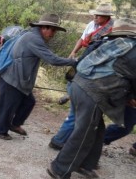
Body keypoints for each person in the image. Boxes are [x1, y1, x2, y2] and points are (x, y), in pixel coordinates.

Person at [48, 18, 136, 179]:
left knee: (98, 130)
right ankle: (59, 168)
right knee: (85, 131)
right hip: (93, 92)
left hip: (78, 84)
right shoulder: (132, 50)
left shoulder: (110, 43)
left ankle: (86, 165)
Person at [0, 13, 77, 140]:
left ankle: (14, 124)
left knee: (29, 102)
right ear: (44, 27)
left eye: (55, 31)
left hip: (17, 78)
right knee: (9, 106)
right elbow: (52, 59)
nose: (53, 34)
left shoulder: (30, 35)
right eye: (52, 30)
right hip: (13, 78)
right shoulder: (34, 39)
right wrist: (73, 61)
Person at [49, 3, 114, 150]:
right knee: (78, 113)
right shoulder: (93, 24)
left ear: (107, 17)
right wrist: (73, 52)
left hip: (88, 66)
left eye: (98, 15)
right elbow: (82, 38)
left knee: (77, 111)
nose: (95, 17)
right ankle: (60, 141)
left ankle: (61, 139)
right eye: (95, 14)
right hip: (86, 66)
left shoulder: (111, 30)